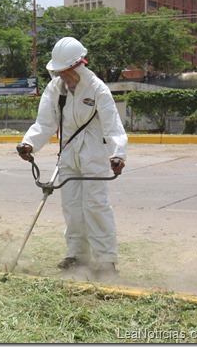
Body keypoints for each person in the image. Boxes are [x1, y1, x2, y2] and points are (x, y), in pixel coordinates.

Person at [17, 37, 127, 275]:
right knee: (72, 207)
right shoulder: (56, 88)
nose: (62, 77)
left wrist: (117, 154)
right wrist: (29, 144)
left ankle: (106, 261)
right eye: (59, 72)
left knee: (95, 206)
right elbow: (45, 123)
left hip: (94, 156)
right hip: (67, 155)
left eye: (66, 72)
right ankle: (77, 256)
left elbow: (113, 127)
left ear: (79, 65)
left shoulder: (98, 89)